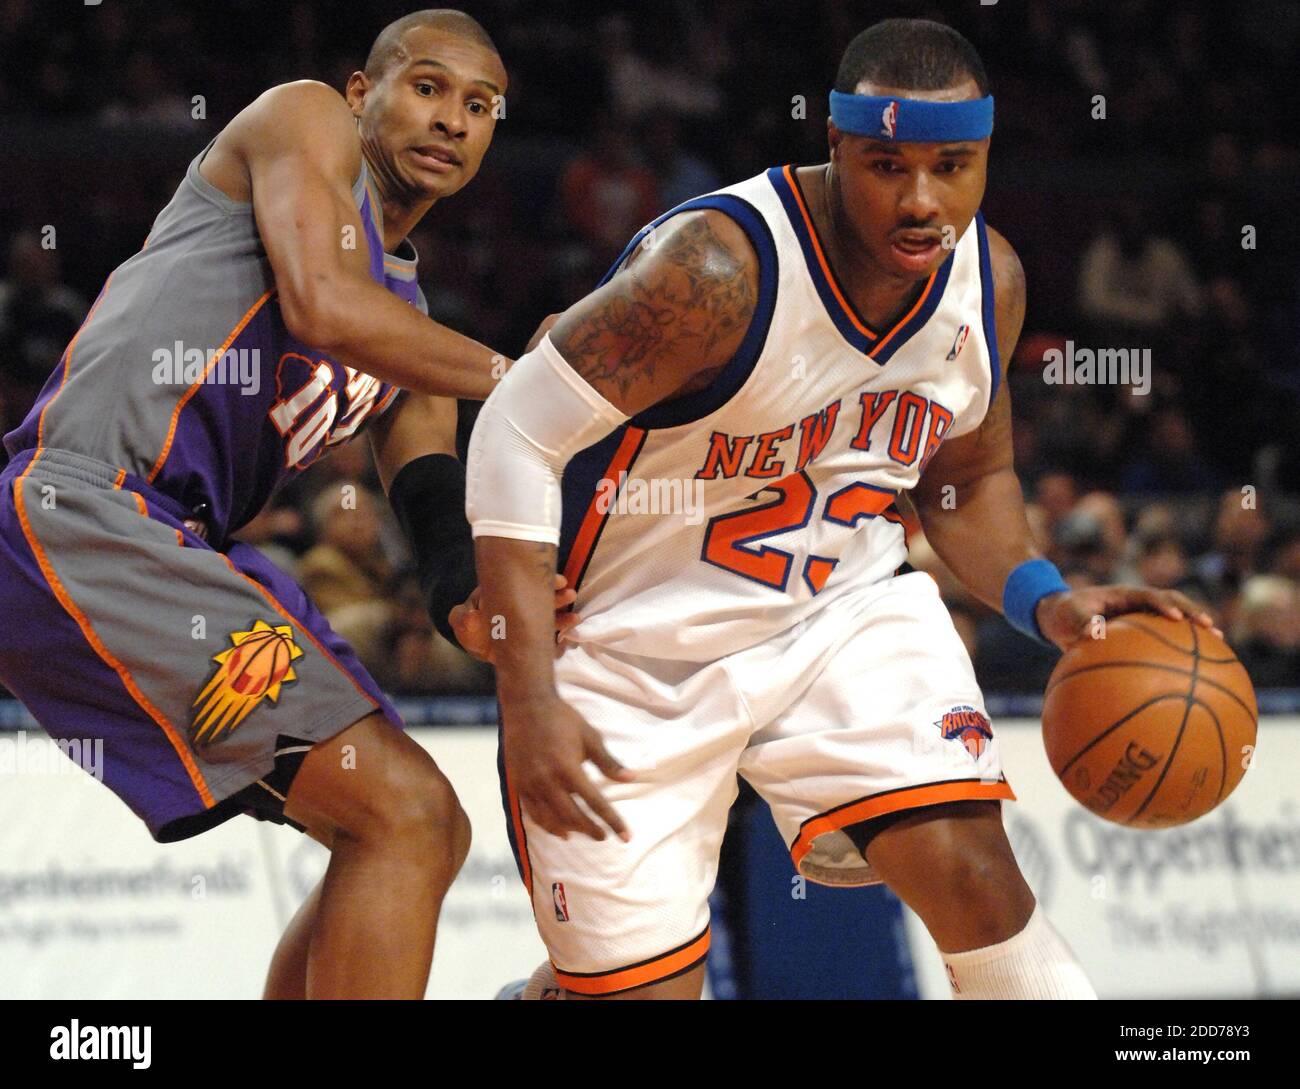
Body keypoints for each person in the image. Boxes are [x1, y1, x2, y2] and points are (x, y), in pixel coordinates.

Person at [468, 18, 1217, 1000]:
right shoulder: (717, 271)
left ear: (988, 158)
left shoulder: (986, 283)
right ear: (834, 148)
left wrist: (1047, 600)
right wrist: (526, 696)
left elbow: (966, 483)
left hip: (843, 615)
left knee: (981, 892)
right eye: (885, 165)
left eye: (952, 166)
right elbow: (512, 432)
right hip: (633, 650)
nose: (919, 199)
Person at [0, 8, 568, 1000]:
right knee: (403, 815)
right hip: (82, 510)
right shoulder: (302, 120)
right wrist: (533, 377)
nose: (451, 121)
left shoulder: (414, 334)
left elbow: (433, 514)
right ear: (362, 93)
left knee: (415, 831)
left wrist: (476, 606)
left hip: (177, 552)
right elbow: (319, 303)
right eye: (427, 88)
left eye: (480, 107)